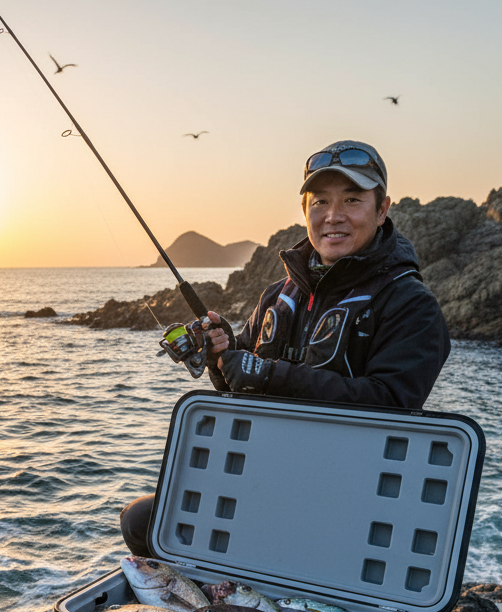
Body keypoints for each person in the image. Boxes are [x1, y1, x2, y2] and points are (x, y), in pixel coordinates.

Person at [120, 139, 451, 556]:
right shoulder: (279, 293)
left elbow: (391, 408)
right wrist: (223, 358)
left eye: (352, 200)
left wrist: (269, 373)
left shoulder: (412, 304)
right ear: (304, 212)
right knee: (141, 522)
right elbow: (240, 391)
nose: (334, 217)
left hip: (349, 498)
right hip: (260, 477)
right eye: (320, 202)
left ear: (382, 208)